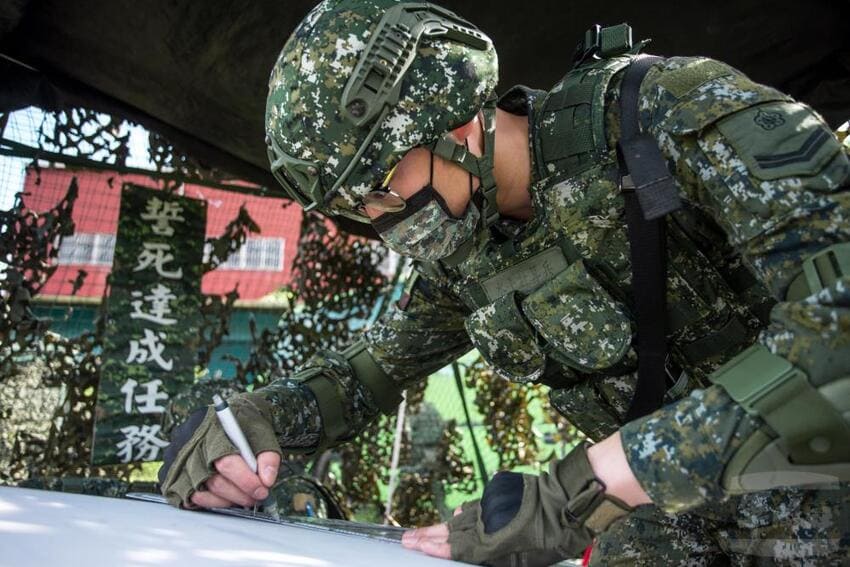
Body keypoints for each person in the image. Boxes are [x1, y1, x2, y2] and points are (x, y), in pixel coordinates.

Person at [159, 0, 850, 564]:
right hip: (684, 522)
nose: (375, 220)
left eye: (376, 189)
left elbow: (838, 333)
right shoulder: (466, 250)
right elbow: (363, 376)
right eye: (352, 208)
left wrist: (584, 488)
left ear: (454, 122)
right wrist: (253, 421)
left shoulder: (669, 112)